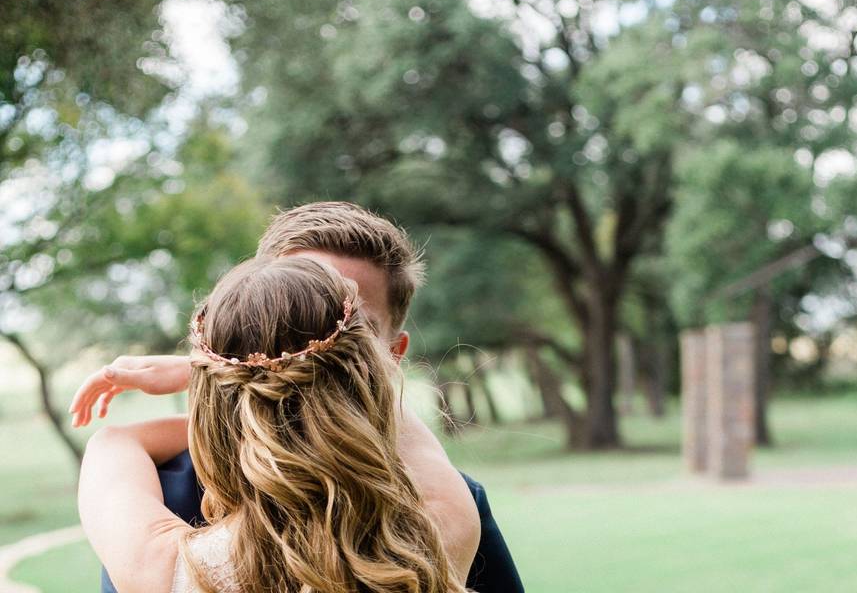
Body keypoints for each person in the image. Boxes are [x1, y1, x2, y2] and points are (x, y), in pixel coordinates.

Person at [71, 202, 524, 593]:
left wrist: (219, 375)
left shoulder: (162, 553)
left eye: (340, 321)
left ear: (392, 353)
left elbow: (111, 446)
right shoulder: (439, 516)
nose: (303, 342)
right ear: (368, 363)